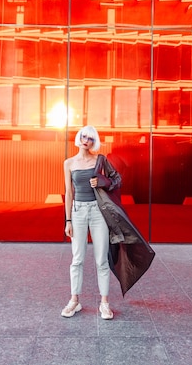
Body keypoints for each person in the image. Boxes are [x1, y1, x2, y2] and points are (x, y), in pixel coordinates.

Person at [62, 125, 114, 320]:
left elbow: (114, 181)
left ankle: (105, 303)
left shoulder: (99, 161)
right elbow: (69, 193)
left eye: (91, 138)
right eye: (84, 136)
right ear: (79, 137)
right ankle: (74, 301)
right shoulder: (68, 163)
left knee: (101, 260)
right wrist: (68, 220)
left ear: (94, 141)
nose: (86, 140)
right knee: (77, 259)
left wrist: (101, 181)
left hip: (97, 211)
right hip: (78, 212)